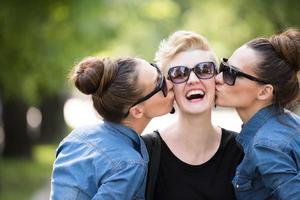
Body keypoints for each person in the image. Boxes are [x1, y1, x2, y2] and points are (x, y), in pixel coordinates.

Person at [50, 56, 174, 200]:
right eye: (160, 84)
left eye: (157, 70)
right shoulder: (129, 164)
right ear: (137, 110)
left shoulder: (77, 136)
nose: (170, 84)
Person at [146, 30, 244, 200]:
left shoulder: (242, 151)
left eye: (204, 69)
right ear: (168, 87)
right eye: (179, 73)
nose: (192, 79)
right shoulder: (146, 153)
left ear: (217, 79)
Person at [215, 28, 300, 199]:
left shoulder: (266, 145)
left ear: (264, 92)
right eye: (223, 67)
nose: (218, 78)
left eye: (231, 73)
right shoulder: (290, 123)